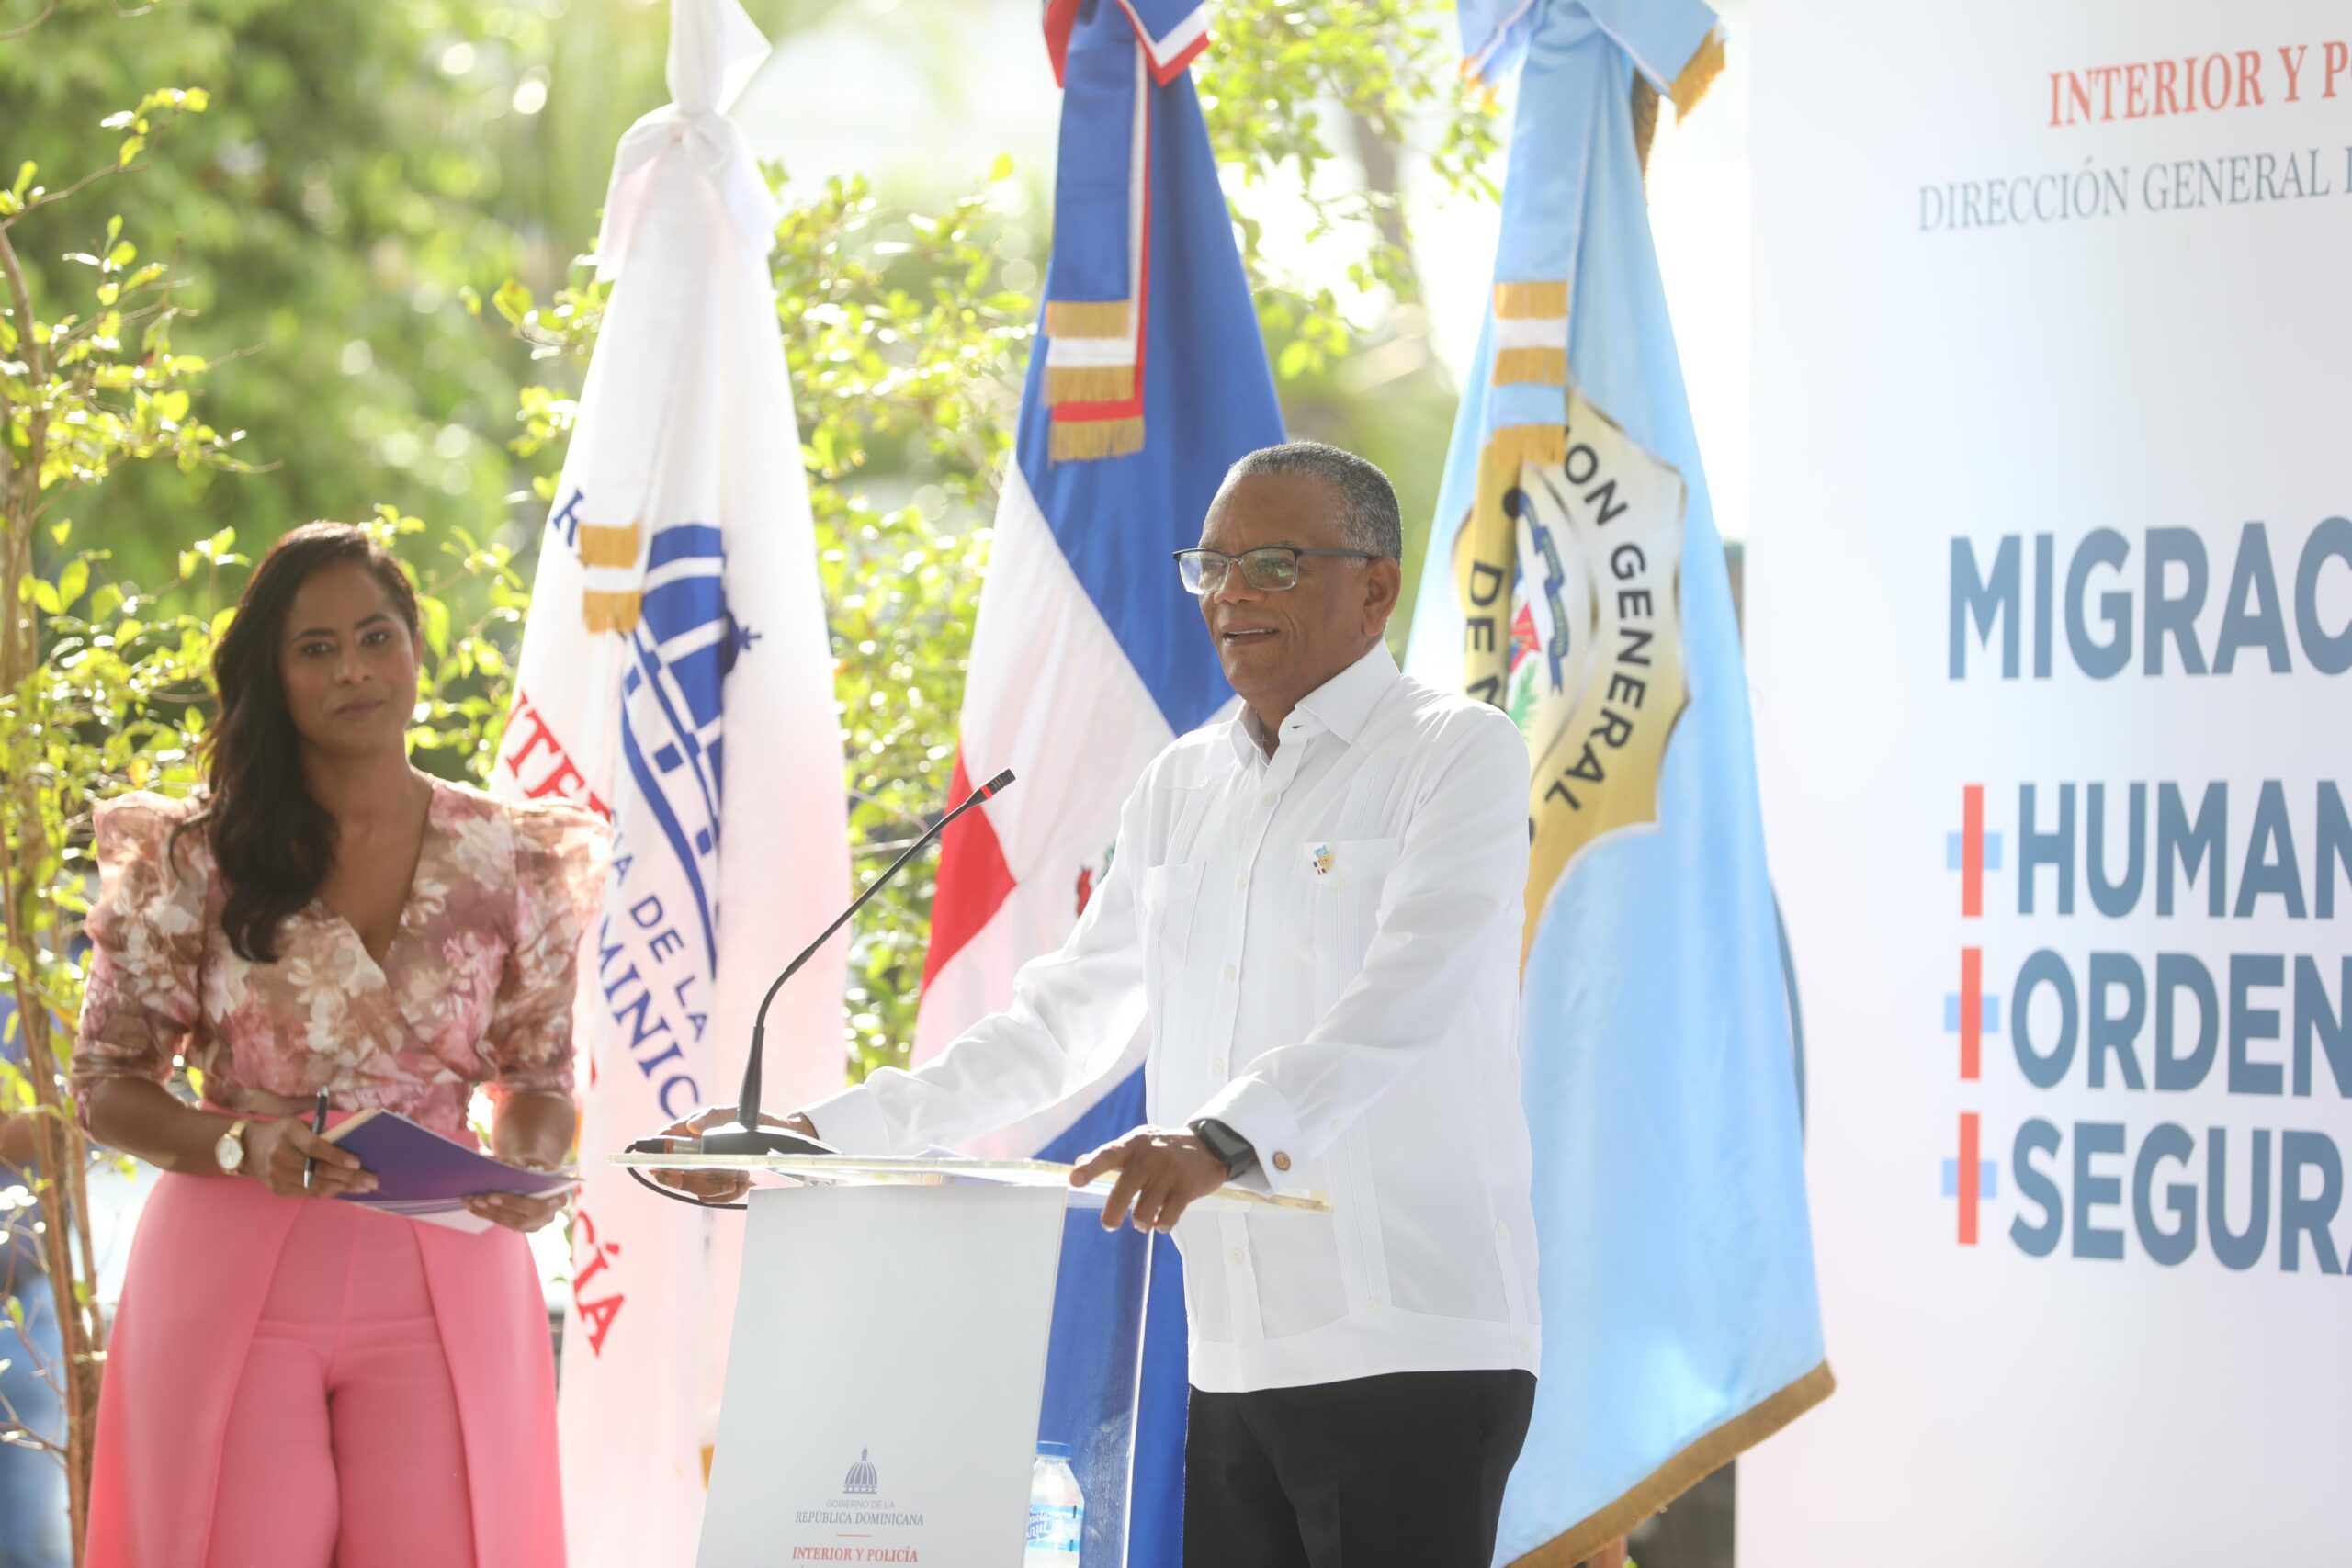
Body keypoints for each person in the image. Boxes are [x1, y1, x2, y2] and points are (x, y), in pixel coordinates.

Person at [661, 441, 1542, 1568]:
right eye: (1211, 565)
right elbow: (1061, 1023)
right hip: (1233, 1349)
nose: (1230, 594)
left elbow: (1408, 993)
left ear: (1375, 588)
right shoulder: (1184, 781)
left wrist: (1221, 1139)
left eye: (1272, 564)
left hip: (1411, 1339)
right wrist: (817, 1138)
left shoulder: (1455, 751)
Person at [72, 523, 603, 1568]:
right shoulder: (194, 857)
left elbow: (539, 1076)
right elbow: (106, 1082)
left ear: (416, 647)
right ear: (272, 678)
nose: (353, 668)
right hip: (230, 1266)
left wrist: (531, 1162)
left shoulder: (514, 858)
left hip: (449, 1271)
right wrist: (238, 1145)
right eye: (316, 648)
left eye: (375, 636)